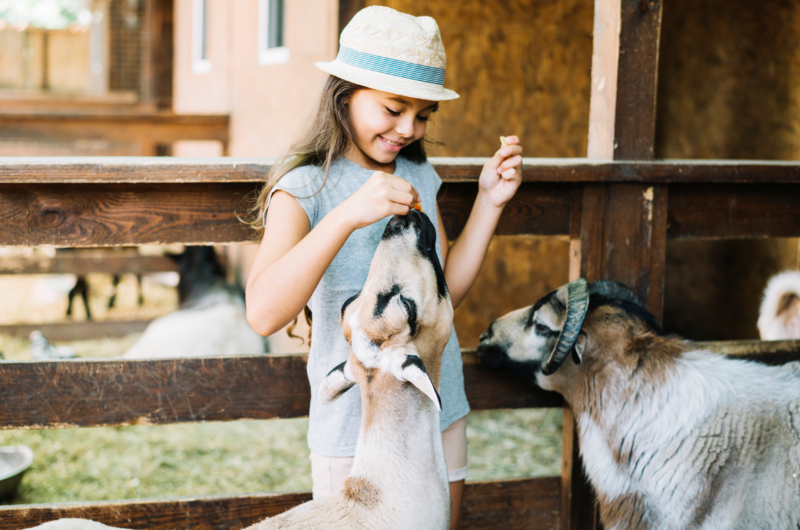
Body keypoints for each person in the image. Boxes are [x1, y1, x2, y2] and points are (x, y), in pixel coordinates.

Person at [245, 6, 522, 529]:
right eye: (393, 109)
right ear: (345, 93)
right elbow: (262, 313)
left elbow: (444, 295)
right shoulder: (304, 188)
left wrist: (490, 202)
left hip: (437, 410)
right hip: (352, 426)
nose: (408, 128)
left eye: (422, 115)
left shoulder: (420, 172)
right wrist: (349, 215)